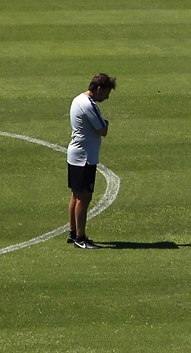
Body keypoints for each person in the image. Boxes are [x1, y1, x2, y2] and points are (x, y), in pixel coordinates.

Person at [67, 73, 115, 249]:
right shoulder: (89, 105)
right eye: (107, 93)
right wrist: (106, 123)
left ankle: (73, 233)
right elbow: (103, 130)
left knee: (75, 195)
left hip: (76, 155)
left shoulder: (77, 99)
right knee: (84, 198)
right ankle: (80, 238)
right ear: (99, 89)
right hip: (85, 158)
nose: (107, 97)